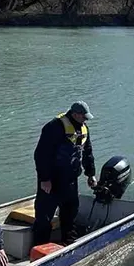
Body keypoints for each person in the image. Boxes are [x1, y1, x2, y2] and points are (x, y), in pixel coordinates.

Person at [33, 101, 96, 245]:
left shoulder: (84, 128)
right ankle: (39, 248)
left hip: (70, 181)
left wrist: (91, 174)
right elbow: (41, 155)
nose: (85, 120)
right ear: (75, 114)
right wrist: (45, 179)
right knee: (44, 217)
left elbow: (87, 153)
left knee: (70, 214)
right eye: (83, 117)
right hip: (51, 182)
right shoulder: (53, 127)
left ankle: (67, 245)